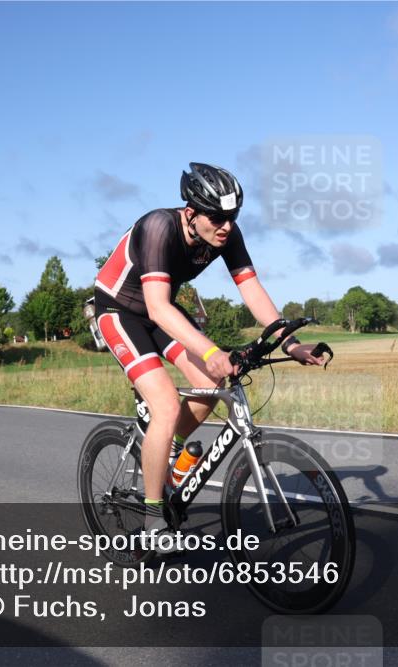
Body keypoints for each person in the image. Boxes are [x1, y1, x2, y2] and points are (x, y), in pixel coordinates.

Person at [94, 162, 324, 550]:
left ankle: (165, 449)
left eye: (232, 218)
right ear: (191, 213)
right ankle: (154, 522)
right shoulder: (157, 227)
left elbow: (252, 291)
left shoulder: (226, 234)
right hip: (121, 311)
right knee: (166, 404)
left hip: (160, 310)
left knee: (211, 383)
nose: (226, 227)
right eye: (217, 218)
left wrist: (290, 343)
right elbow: (157, 308)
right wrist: (212, 350)